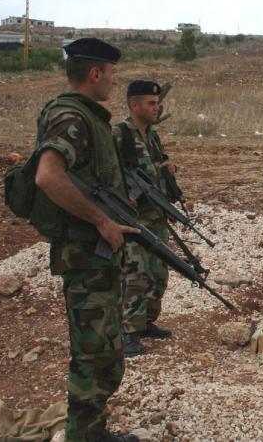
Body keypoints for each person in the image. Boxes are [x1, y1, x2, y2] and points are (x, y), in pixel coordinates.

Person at [33, 38, 140, 441]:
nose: (115, 81)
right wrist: (102, 221)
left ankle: (92, 431)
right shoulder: (70, 115)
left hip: (96, 257)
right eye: (112, 73)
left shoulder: (89, 117)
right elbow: (48, 175)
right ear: (95, 73)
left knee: (105, 352)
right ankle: (83, 435)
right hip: (84, 255)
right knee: (93, 353)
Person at [113, 80, 175, 357]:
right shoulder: (119, 135)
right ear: (134, 105)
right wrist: (122, 196)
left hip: (157, 217)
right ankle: (129, 331)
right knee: (136, 276)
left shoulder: (151, 136)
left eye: (157, 103)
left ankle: (146, 321)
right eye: (151, 103)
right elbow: (105, 174)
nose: (156, 107)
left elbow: (153, 169)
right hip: (132, 220)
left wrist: (169, 169)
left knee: (159, 273)